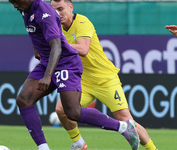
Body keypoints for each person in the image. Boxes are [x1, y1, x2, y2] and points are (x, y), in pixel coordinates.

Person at [8, 0, 140, 150]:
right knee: (23, 99)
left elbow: (57, 46)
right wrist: (36, 49)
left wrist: (47, 75)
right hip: (47, 61)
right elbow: (34, 31)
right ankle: (43, 148)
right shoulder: (24, 8)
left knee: (72, 112)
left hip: (66, 62)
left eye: (16, 1)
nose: (14, 5)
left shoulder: (45, 12)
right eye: (11, 2)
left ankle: (123, 127)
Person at [50, 0, 158, 150]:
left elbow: (83, 49)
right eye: (54, 10)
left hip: (105, 79)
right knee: (61, 109)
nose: (57, 13)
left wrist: (57, 45)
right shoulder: (56, 28)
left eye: (61, 9)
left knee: (126, 120)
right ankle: (78, 143)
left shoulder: (82, 22)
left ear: (70, 7)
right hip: (83, 81)